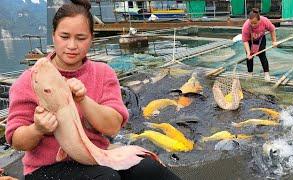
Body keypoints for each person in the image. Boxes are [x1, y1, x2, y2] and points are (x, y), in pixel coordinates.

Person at [5, 0, 180, 179]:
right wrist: (37, 128)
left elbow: (112, 127)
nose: (72, 45)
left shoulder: (103, 73)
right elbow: (17, 140)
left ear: (91, 38)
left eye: (81, 38)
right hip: (45, 168)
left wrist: (83, 99)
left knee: (150, 169)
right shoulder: (29, 79)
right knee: (106, 177)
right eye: (64, 37)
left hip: (95, 155)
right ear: (53, 36)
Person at [242, 8, 277, 81]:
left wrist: (274, 41)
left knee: (262, 55)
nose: (253, 25)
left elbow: (272, 29)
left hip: (261, 38)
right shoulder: (246, 26)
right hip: (250, 40)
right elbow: (245, 40)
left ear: (259, 20)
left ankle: (266, 73)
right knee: (249, 57)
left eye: (255, 23)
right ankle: (250, 73)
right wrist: (248, 53)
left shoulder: (264, 21)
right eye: (251, 23)